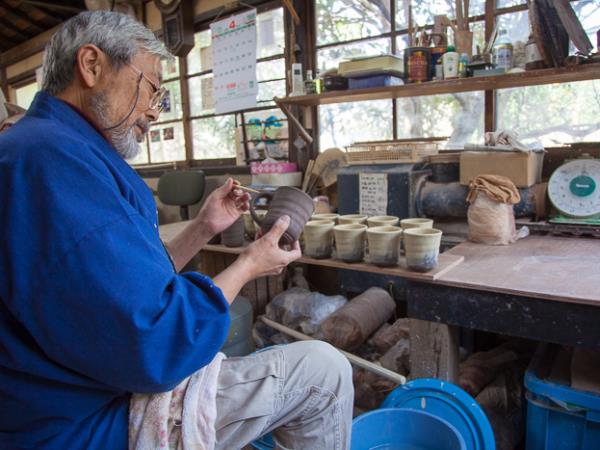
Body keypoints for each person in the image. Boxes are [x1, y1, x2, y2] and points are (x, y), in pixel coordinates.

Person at [0, 11, 353, 450]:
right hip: (78, 422)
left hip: (83, 385)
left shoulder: (51, 148)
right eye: (151, 88)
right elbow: (156, 340)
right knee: (324, 372)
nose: (153, 111)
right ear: (91, 66)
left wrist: (203, 228)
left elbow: (123, 287)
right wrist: (247, 266)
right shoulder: (52, 164)